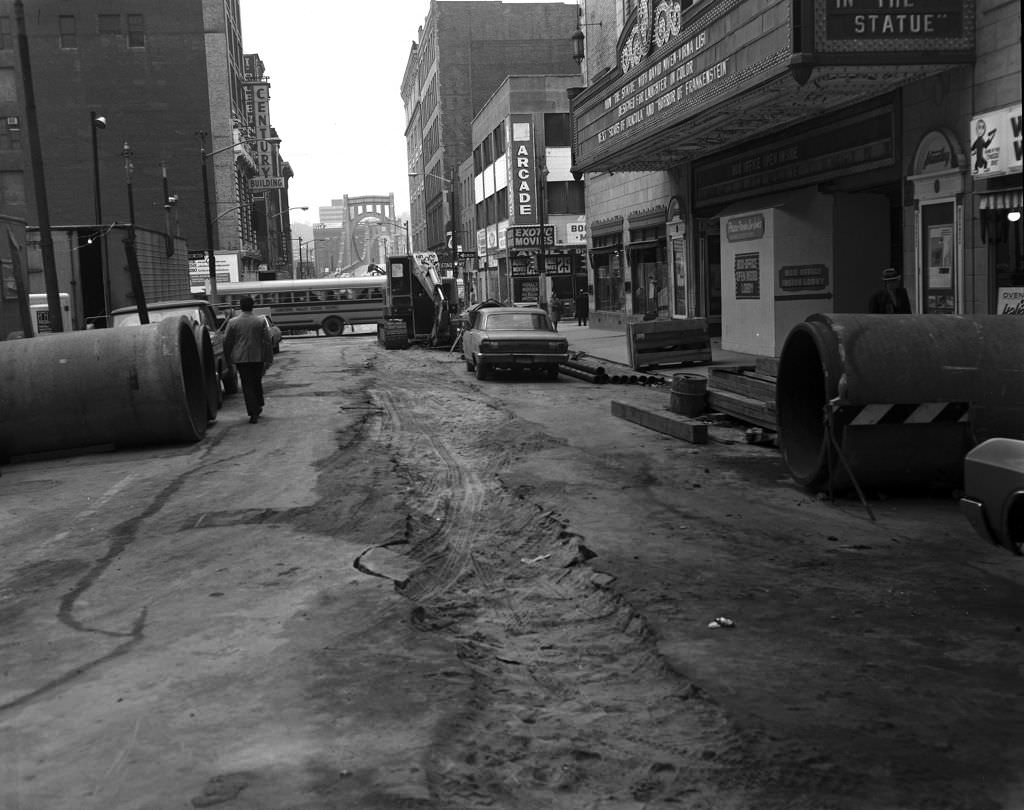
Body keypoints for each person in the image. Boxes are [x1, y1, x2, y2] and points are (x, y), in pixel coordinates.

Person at [222, 294, 273, 423]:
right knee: (256, 381)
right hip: (258, 357)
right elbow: (267, 341)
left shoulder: (233, 322)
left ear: (240, 307)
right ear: (253, 307)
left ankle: (253, 411)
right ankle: (258, 405)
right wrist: (268, 359)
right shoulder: (260, 321)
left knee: (247, 384)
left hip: (241, 359)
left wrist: (228, 358)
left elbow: (227, 341)